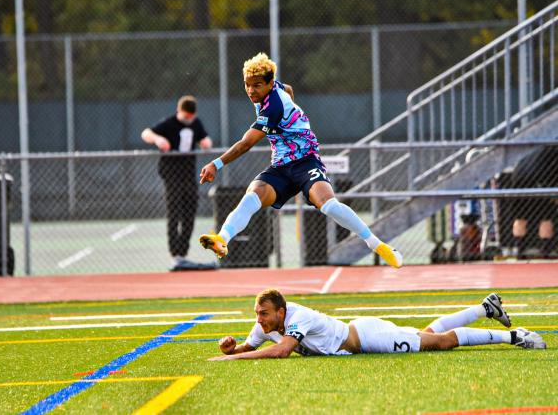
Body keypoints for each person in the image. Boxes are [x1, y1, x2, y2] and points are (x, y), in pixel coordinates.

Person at [198, 52, 402, 268]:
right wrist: (292, 121)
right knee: (253, 194)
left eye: (256, 85)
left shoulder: (273, 106)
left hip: (306, 161)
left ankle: (377, 245)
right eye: (247, 85)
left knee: (330, 206)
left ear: (268, 84)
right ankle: (222, 239)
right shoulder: (274, 86)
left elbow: (246, 144)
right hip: (281, 166)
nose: (250, 91)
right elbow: (288, 89)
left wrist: (215, 164)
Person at [209, 288, 546, 361]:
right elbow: (250, 345)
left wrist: (229, 359)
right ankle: (485, 307)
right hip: (362, 333)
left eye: (263, 314)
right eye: (257, 314)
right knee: (427, 335)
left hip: (369, 337)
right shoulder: (266, 323)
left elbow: (282, 352)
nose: (259, 320)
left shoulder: (299, 317)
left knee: (440, 342)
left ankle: (513, 336)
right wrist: (233, 347)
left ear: (281, 312)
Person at [141, 95, 215, 271]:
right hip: (171, 173)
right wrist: (158, 139)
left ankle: (183, 252)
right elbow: (146, 133)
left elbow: (205, 139)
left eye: (191, 116)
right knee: (174, 211)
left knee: (190, 209)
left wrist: (206, 142)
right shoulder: (169, 123)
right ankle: (175, 253)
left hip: (188, 173)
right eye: (186, 116)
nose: (189, 120)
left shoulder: (196, 123)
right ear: (179, 112)